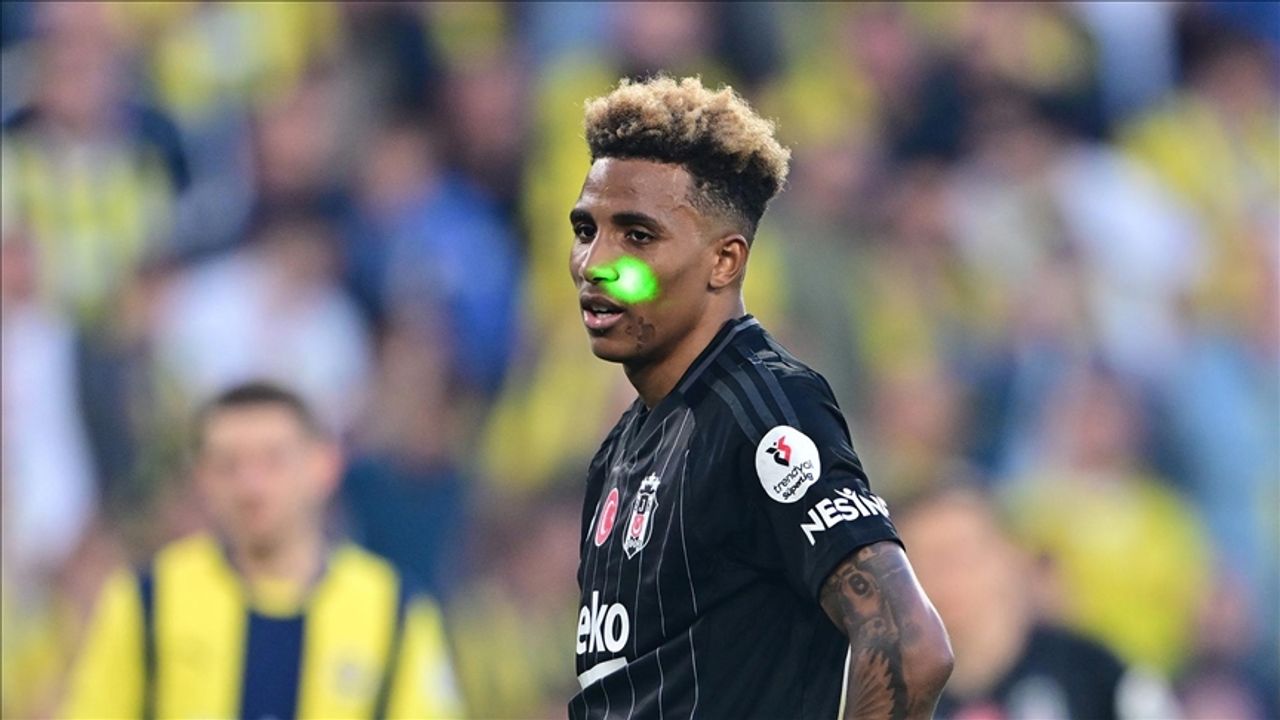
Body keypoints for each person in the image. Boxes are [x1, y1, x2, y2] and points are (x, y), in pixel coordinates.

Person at [567, 75, 953, 719]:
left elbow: (909, 646)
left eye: (637, 236)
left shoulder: (766, 409)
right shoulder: (620, 450)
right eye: (586, 229)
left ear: (725, 261)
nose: (594, 263)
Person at [60, 382, 462, 719]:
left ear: (323, 467)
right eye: (228, 464)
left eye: (273, 461)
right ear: (202, 477)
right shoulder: (148, 600)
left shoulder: (394, 609)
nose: (250, 486)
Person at [894, 481, 1181, 720]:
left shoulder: (1094, 674)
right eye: (926, 563)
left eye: (962, 555)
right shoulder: (888, 695)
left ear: (1009, 554)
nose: (949, 579)